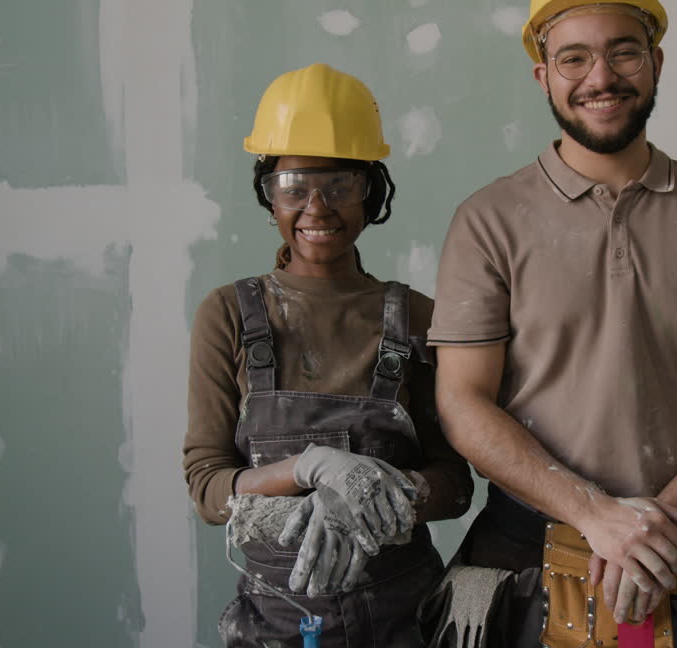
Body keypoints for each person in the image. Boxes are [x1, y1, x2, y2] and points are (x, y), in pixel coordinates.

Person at [427, 0, 677, 648]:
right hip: (527, 558)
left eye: (624, 51)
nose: (601, 76)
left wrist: (656, 531)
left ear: (656, 62)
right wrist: (596, 515)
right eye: (574, 57)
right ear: (543, 75)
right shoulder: (488, 220)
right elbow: (462, 402)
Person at [184, 63, 473, 647]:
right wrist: (308, 469)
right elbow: (209, 490)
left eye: (340, 184)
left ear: (373, 190)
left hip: (407, 622)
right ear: (268, 195)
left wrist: (373, 497)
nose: (316, 207)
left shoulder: (418, 317)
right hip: (274, 629)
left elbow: (456, 484)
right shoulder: (229, 315)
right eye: (292, 187)